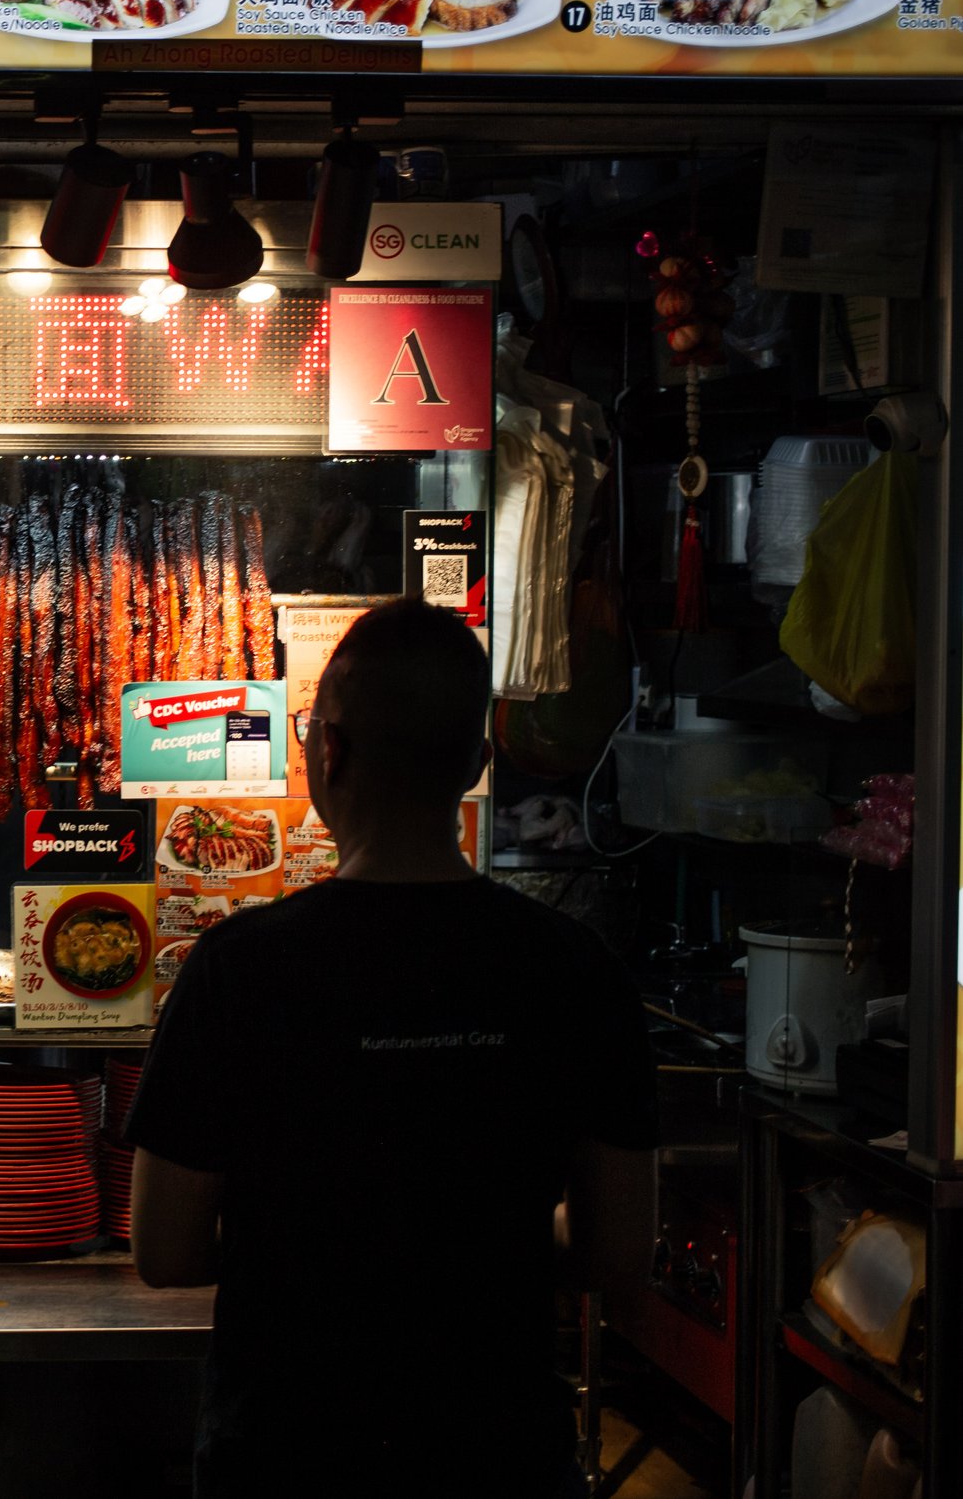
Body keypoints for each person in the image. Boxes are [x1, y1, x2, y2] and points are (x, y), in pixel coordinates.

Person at [127, 598, 656, 1499]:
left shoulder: (239, 969)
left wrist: (307, 1241)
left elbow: (165, 1249)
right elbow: (617, 1256)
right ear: (479, 764)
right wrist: (478, 1236)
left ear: (326, 750)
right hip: (498, 1454)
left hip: (286, 1456)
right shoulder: (575, 967)